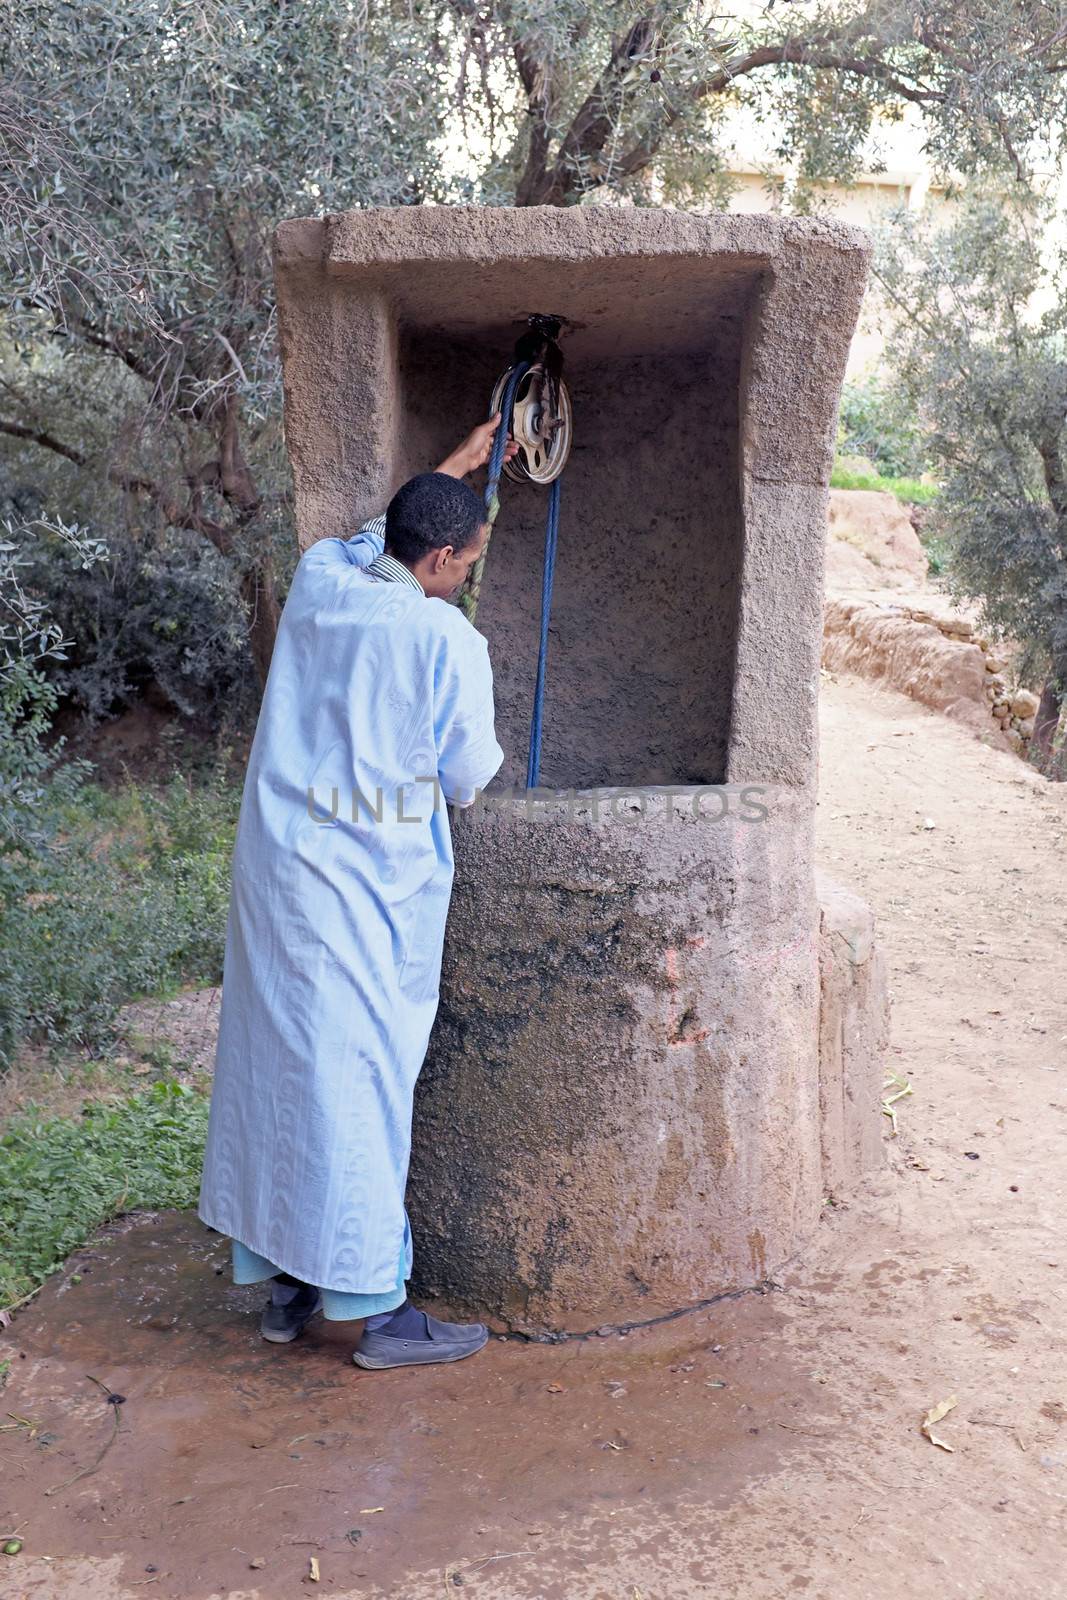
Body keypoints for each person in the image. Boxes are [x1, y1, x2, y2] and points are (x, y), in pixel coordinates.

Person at [199, 417, 514, 1370]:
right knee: (359, 1083)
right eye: (467, 559)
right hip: (367, 890)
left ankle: (288, 1290)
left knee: (281, 1068)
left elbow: (360, 541)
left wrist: (455, 468)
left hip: (281, 876)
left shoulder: (321, 584)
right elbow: (467, 776)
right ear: (444, 559)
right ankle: (375, 1310)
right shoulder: (445, 639)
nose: (465, 576)